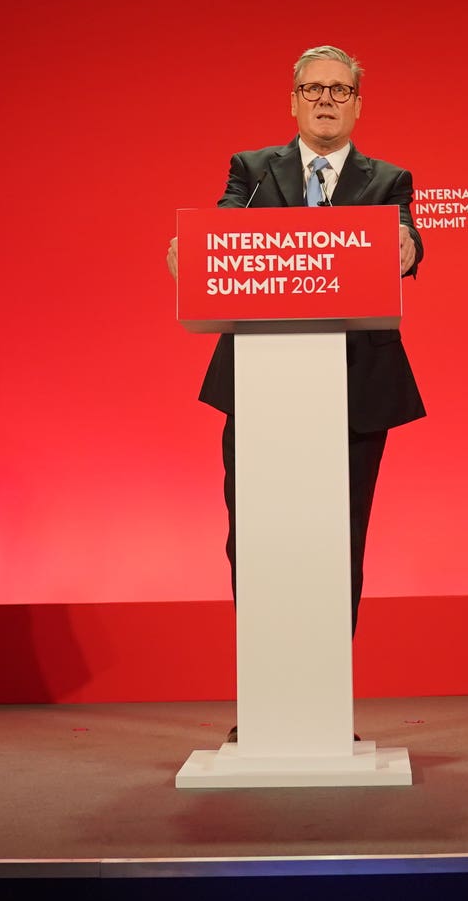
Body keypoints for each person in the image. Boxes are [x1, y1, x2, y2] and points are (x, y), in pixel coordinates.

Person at [175, 46, 424, 626]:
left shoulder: (387, 178)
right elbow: (224, 227)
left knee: (342, 541)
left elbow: (405, 235)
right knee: (254, 540)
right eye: (314, 90)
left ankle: (327, 700)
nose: (326, 101)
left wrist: (408, 248)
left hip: (354, 386)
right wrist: (196, 254)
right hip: (261, 383)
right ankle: (266, 698)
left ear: (358, 106)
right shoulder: (253, 169)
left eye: (339, 91)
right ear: (293, 101)